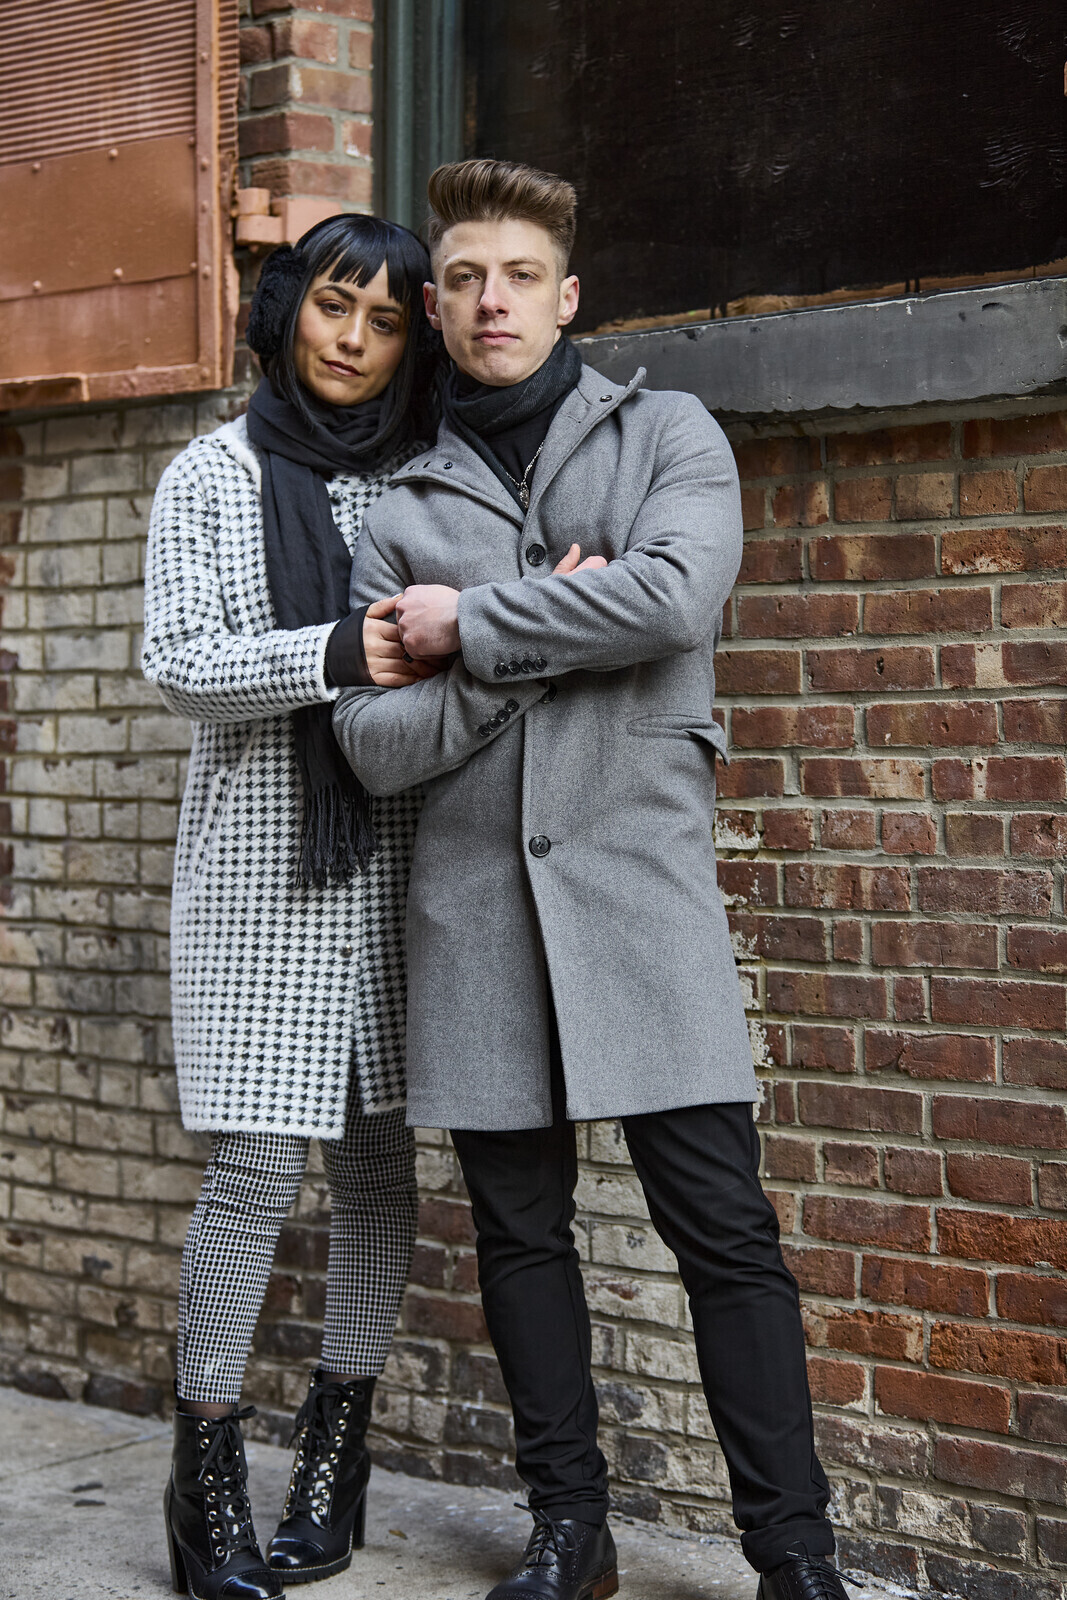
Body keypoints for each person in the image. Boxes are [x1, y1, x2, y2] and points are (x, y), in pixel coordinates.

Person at [332, 160, 852, 1600]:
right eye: (462, 280)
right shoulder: (397, 508)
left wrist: (469, 625)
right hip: (476, 910)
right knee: (519, 1238)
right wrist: (540, 633)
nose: (489, 302)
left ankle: (793, 1553)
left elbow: (674, 597)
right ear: (438, 309)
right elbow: (372, 746)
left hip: (640, 889)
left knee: (726, 1234)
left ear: (567, 298)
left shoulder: (667, 432)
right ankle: (572, 1533)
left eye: (517, 277)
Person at [142, 213, 441, 1600]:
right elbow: (182, 660)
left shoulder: (428, 474)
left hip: (404, 855)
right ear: (289, 308)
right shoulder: (213, 472)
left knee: (379, 1165)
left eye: (385, 322)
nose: (353, 340)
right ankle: (204, 1480)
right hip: (265, 873)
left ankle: (336, 1454)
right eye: (334, 305)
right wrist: (337, 649)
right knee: (258, 1168)